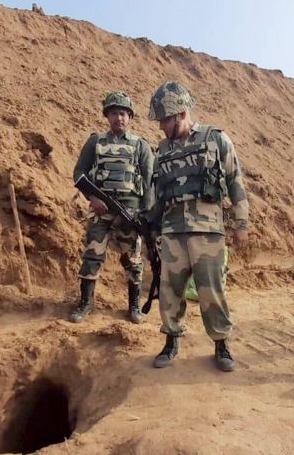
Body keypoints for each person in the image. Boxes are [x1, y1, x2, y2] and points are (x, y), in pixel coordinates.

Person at [146, 81, 250, 371]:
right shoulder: (162, 150)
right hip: (172, 231)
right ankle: (171, 340)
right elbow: (158, 194)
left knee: (211, 291)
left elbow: (235, 182)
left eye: (165, 120)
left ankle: (221, 343)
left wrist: (241, 223)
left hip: (207, 230)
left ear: (181, 113)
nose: (161, 126)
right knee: (170, 291)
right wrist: (151, 227)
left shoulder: (216, 139)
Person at [71, 92, 155, 324]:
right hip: (101, 210)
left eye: (124, 113)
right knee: (92, 256)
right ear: (107, 116)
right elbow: (79, 173)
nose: (119, 118)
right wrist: (92, 198)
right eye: (114, 113)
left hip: (130, 212)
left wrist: (144, 214)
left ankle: (134, 307)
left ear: (130, 117)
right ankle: (86, 304)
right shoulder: (95, 142)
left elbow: (150, 182)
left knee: (133, 260)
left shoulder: (141, 145)